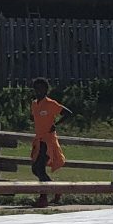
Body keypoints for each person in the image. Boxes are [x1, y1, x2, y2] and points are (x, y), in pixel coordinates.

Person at [28, 78, 67, 208]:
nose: (39, 91)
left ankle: (43, 198)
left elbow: (67, 113)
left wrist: (55, 125)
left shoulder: (51, 104)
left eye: (41, 88)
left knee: (39, 167)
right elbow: (34, 117)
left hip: (48, 140)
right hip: (39, 140)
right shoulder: (34, 104)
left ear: (46, 89)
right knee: (36, 169)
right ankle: (55, 190)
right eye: (36, 88)